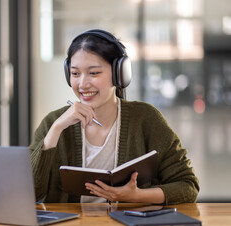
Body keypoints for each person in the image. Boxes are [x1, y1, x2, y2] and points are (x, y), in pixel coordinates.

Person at [29, 29, 199, 205]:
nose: (82, 84)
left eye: (94, 73)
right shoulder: (53, 123)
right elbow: (27, 194)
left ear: (119, 73)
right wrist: (55, 131)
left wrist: (137, 196)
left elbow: (188, 186)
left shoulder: (146, 119)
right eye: (75, 73)